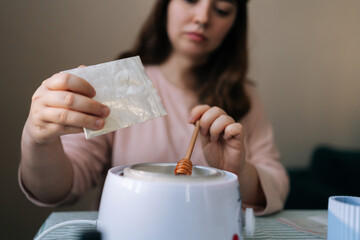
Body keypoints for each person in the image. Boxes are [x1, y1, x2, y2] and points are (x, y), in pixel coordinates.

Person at [19, 0, 289, 215]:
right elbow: (57, 189)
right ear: (165, 5)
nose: (203, 17)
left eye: (222, 9)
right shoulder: (122, 87)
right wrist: (38, 140)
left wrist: (238, 172)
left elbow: (276, 184)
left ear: (234, 23)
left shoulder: (244, 97)